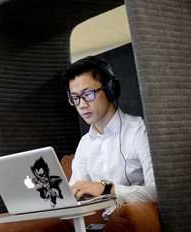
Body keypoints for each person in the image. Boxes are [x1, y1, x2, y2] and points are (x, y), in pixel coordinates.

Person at [60, 56, 157, 206]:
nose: (82, 105)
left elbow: (158, 192)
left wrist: (107, 189)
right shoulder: (85, 144)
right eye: (75, 98)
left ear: (110, 89)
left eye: (88, 95)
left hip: (137, 220)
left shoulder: (139, 132)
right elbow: (75, 194)